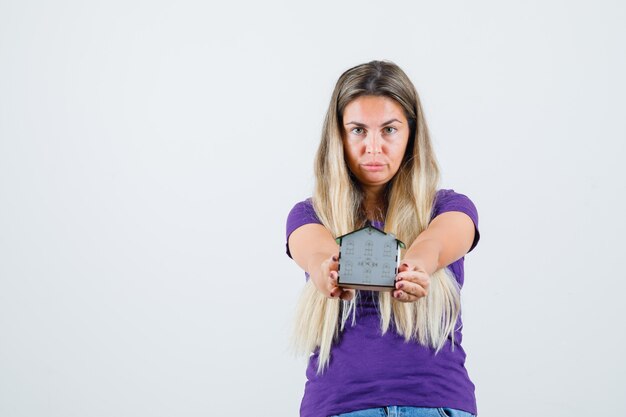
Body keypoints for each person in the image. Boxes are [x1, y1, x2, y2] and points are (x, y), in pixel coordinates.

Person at [285, 60, 481, 417]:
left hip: (436, 405)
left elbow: (437, 242)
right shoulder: (311, 215)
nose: (373, 147)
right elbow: (314, 253)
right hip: (340, 407)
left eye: (389, 130)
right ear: (339, 136)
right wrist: (327, 270)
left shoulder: (450, 207)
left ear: (411, 133)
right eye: (358, 130)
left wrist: (416, 266)